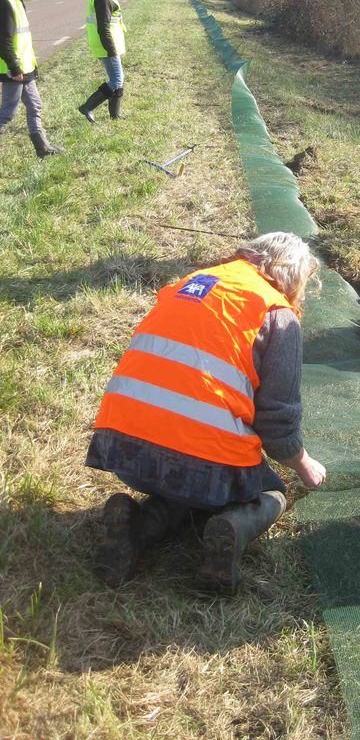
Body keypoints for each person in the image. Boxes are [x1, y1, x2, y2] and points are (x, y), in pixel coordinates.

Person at [86, 232, 327, 592]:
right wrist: (304, 464)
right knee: (269, 491)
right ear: (290, 276)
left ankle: (136, 528)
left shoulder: (190, 283)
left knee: (185, 484)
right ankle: (235, 528)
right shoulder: (276, 313)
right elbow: (277, 420)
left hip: (121, 447)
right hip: (199, 458)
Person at [0, 0, 63, 157]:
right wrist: (15, 67)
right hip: (14, 69)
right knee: (8, 114)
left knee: (35, 105)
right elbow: (4, 39)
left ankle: (43, 148)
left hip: (24, 67)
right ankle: (43, 147)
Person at [79, 0, 128, 123]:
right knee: (116, 80)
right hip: (106, 45)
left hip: (108, 44)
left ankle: (115, 114)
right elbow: (103, 28)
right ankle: (88, 107)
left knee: (118, 79)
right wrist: (111, 50)